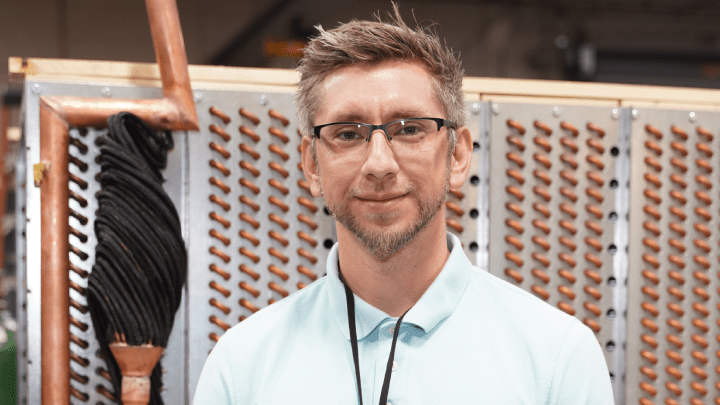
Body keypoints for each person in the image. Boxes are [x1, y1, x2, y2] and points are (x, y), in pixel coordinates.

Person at [194, 5, 615, 404]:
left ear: (458, 155)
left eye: (409, 128)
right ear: (312, 165)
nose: (379, 164)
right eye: (347, 133)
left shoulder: (557, 360)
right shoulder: (241, 367)